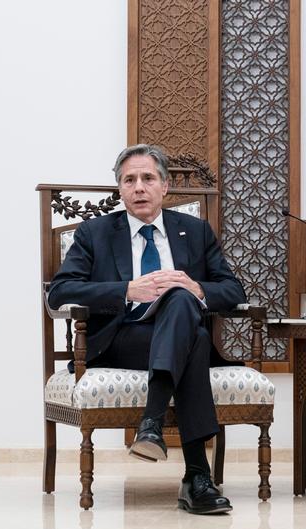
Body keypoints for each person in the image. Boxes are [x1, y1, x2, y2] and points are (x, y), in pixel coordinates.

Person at [49, 144, 247, 515]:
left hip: (179, 338)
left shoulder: (195, 230)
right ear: (120, 190)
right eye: (129, 180)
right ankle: (197, 477)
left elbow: (234, 290)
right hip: (122, 339)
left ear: (165, 187)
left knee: (186, 309)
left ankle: (152, 427)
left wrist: (196, 288)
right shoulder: (95, 233)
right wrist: (126, 290)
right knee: (196, 337)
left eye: (148, 178)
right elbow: (61, 291)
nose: (139, 187)